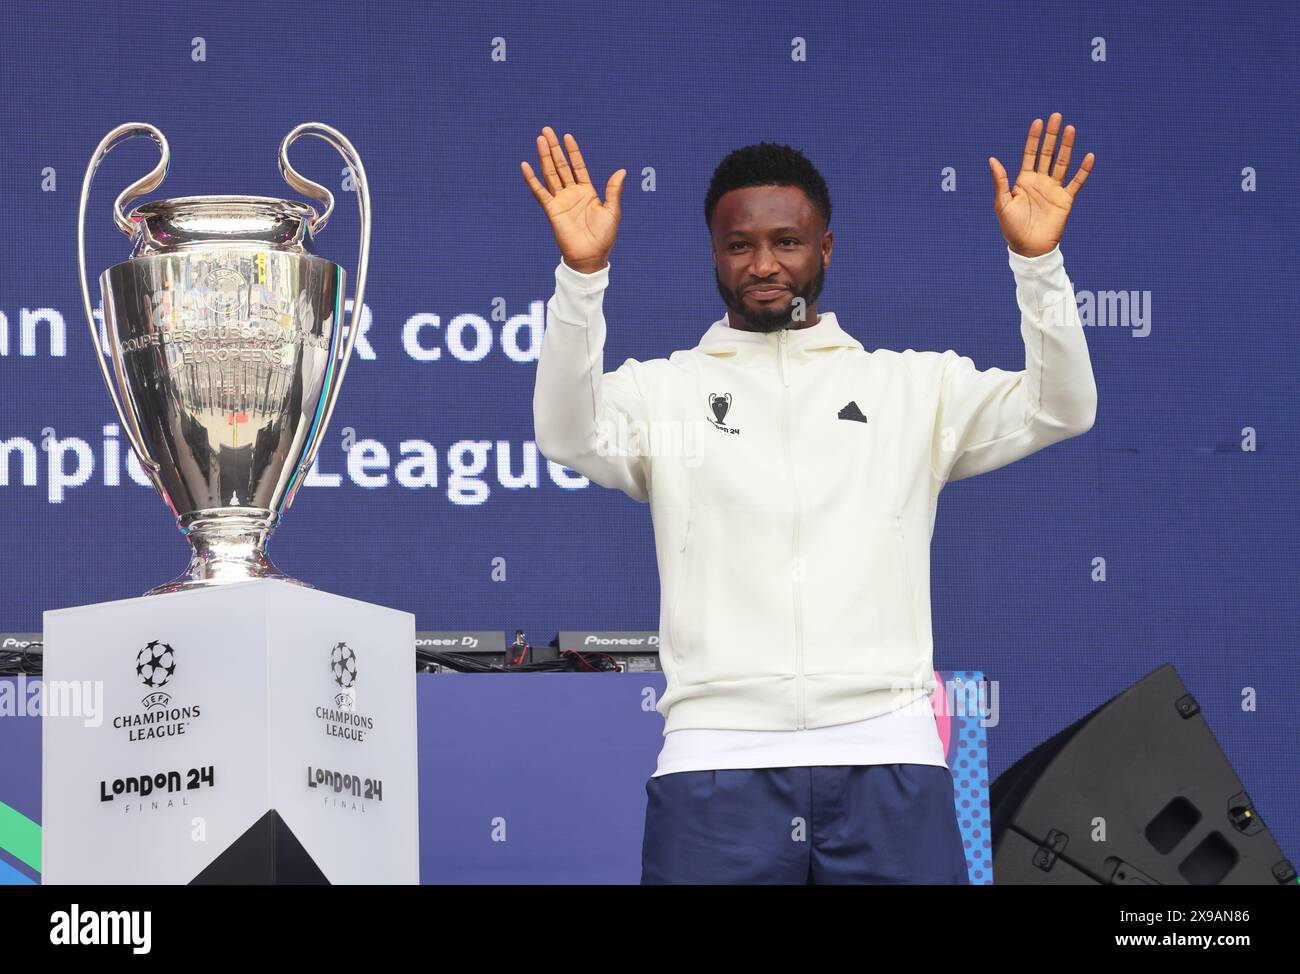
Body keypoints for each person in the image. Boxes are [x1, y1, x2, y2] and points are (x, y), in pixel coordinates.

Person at [523, 115, 1097, 884]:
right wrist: (581, 276)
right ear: (715, 254)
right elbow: (567, 432)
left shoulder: (910, 386)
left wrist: (1038, 263)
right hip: (716, 763)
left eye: (788, 241)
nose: (765, 264)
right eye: (740, 245)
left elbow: (1064, 407)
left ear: (825, 248)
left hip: (889, 756)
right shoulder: (665, 391)